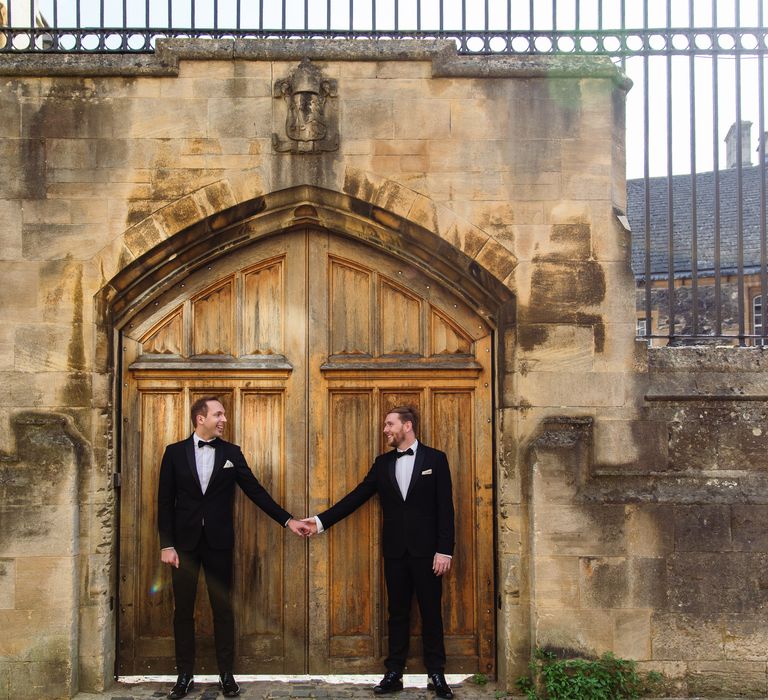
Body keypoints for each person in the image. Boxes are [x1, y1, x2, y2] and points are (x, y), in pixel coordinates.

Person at [157, 396, 310, 699]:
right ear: (200, 419)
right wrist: (167, 545)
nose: (224, 419)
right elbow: (164, 502)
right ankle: (184, 675)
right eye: (218, 414)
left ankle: (226, 674)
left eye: (223, 415)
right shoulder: (173, 453)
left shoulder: (231, 453)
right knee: (183, 610)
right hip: (183, 547)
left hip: (218, 544)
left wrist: (287, 520)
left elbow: (255, 491)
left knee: (223, 609)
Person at [303, 406, 455, 699]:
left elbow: (445, 509)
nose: (385, 430)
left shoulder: (436, 459)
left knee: (431, 612)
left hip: (428, 554)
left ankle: (436, 673)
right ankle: (394, 672)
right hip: (395, 551)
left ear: (407, 426)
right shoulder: (383, 463)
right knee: (396, 613)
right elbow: (357, 496)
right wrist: (320, 521)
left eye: (389, 424)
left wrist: (444, 550)